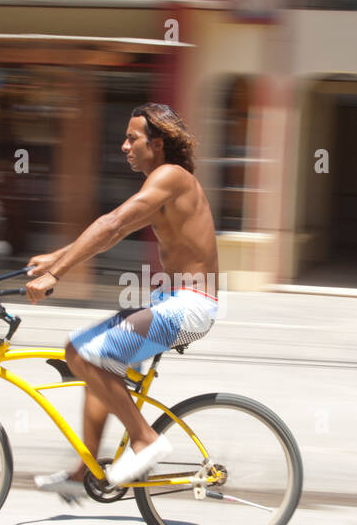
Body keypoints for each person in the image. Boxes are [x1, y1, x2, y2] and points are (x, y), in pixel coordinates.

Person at [24, 103, 219, 502]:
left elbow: (111, 222)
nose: (123, 146)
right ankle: (83, 473)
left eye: (133, 139)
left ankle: (145, 440)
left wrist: (56, 274)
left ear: (158, 144)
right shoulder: (161, 183)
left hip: (189, 306)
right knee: (89, 357)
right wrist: (56, 258)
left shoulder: (170, 177)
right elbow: (116, 231)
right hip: (172, 301)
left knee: (88, 354)